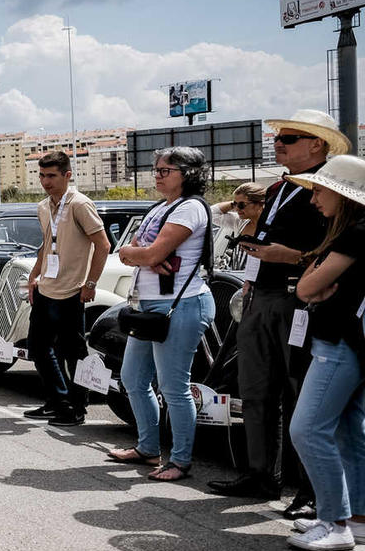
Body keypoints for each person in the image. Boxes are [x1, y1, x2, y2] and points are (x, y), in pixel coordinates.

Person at [209, 109, 343, 505]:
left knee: (299, 395)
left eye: (288, 139)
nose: (277, 143)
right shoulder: (278, 188)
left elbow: (338, 248)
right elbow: (260, 237)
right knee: (255, 391)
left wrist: (296, 258)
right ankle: (260, 475)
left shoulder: (330, 187)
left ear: (316, 144)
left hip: (296, 298)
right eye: (277, 138)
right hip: (261, 295)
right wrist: (251, 277)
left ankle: (310, 488)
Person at [105, 147, 215, 483]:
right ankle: (148, 448)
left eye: (165, 170)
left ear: (188, 173)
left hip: (180, 304)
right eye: (155, 169)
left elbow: (146, 250)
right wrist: (140, 254)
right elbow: (130, 250)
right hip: (147, 306)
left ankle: (179, 461)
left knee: (173, 386)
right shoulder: (160, 208)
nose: (157, 175)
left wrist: (140, 254)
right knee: (134, 379)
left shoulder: (190, 208)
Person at [285, 154, 365, 550]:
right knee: (349, 433)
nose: (314, 199)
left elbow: (304, 289)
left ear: (343, 195)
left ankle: (334, 522)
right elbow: (310, 284)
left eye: (320, 190)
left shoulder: (353, 234)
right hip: (349, 343)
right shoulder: (350, 233)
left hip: (339, 344)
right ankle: (356, 517)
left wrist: (312, 278)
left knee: (308, 429)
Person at [22, 151, 110, 427]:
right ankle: (57, 401)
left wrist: (91, 283)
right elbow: (47, 246)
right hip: (47, 286)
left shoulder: (79, 204)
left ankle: (76, 406)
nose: (46, 182)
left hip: (72, 289)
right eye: (42, 176)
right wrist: (34, 276)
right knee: (37, 347)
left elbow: (103, 245)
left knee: (74, 351)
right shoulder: (43, 206)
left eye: (52, 176)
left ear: (67, 175)